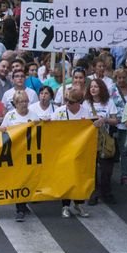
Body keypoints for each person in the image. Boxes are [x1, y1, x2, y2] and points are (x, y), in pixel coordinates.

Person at [53, 88, 92, 218]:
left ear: (79, 102)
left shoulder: (86, 112)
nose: (67, 104)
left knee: (79, 177)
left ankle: (79, 203)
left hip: (80, 152)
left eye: (71, 102)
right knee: (66, 178)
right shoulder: (59, 112)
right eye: (66, 100)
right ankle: (65, 206)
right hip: (63, 152)